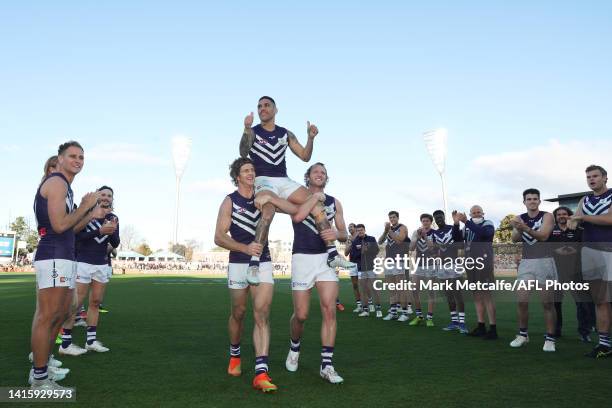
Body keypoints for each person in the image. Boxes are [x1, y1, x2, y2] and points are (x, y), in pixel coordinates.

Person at [214, 157, 322, 393]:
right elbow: (219, 237)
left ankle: (261, 372)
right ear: (237, 176)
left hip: (262, 262)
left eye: (252, 169)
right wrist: (245, 248)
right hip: (238, 262)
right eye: (246, 170)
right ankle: (235, 354)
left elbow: (296, 211)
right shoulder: (229, 201)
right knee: (239, 312)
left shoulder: (264, 197)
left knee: (262, 314)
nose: (251, 173)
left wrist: (310, 198)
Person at [239, 96, 354, 284]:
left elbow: (304, 156)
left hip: (283, 179)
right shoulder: (253, 132)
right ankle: (254, 264)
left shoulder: (285, 133)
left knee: (316, 203)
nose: (262, 109)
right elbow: (243, 152)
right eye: (259, 106)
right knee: (267, 211)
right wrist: (245, 129)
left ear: (276, 110)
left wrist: (310, 138)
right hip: (264, 180)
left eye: (267, 105)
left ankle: (332, 254)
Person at [30, 142, 101, 389]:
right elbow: (59, 226)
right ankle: (39, 378)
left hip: (64, 256)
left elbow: (70, 228)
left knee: (59, 315)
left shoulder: (65, 186)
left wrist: (87, 213)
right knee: (47, 316)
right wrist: (83, 207)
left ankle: (43, 365)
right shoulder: (58, 182)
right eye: (72, 156)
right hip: (53, 256)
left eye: (82, 157)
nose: (78, 160)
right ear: (59, 159)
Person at [285, 163, 347, 384]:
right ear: (308, 177)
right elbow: (297, 217)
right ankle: (294, 347)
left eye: (323, 172)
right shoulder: (297, 197)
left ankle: (326, 365)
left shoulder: (335, 202)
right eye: (315, 172)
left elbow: (344, 234)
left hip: (326, 260)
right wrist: (314, 199)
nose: (320, 174)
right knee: (300, 315)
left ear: (326, 178)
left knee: (329, 310)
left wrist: (336, 232)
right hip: (302, 257)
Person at [58, 186, 119, 355]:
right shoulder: (86, 215)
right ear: (97, 196)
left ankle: (91, 341)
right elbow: (76, 237)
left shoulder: (113, 217)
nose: (106, 198)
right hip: (83, 263)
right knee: (76, 304)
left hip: (101, 264)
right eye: (103, 194)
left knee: (95, 303)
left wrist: (112, 229)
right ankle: (65, 343)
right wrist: (99, 231)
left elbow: (116, 242)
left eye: (109, 196)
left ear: (112, 199)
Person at [570, 165, 612, 358]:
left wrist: (582, 217)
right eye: (588, 177)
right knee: (600, 299)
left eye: (595, 176)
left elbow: (610, 219)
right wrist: (572, 221)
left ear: (605, 178)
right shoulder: (584, 199)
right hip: (590, 251)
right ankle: (604, 344)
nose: (591, 179)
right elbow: (574, 222)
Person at [510, 188, 557, 352]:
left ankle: (550, 338)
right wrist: (517, 228)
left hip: (545, 261)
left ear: (539, 201)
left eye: (535, 199)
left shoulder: (547, 216)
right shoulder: (519, 218)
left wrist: (525, 228)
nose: (532, 201)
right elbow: (515, 239)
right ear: (524, 202)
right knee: (522, 301)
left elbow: (544, 236)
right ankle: (523, 335)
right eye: (528, 199)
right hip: (527, 262)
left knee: (547, 303)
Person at [549, 206, 595, 341]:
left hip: (576, 272)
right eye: (558, 214)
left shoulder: (579, 231)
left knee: (581, 303)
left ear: (569, 216)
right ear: (555, 217)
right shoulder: (551, 231)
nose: (561, 216)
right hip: (557, 272)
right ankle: (556, 331)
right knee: (556, 303)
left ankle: (584, 333)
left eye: (564, 214)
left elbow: (585, 247)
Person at [457, 206, 498, 340]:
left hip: (483, 262)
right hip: (470, 263)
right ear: (470, 214)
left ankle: (493, 329)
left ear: (483, 213)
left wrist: (466, 222)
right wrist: (456, 224)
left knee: (486, 295)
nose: (476, 215)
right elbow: (457, 240)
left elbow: (484, 234)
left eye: (478, 212)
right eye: (473, 213)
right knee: (476, 295)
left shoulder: (488, 223)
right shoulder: (467, 227)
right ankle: (481, 325)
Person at [433, 210, 467, 333]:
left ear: (444, 217)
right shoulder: (435, 233)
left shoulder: (452, 228)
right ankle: (454, 321)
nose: (439, 219)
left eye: (440, 217)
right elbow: (435, 250)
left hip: (454, 265)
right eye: (436, 218)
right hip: (442, 267)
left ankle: (462, 323)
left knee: (457, 294)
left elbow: (460, 245)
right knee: (448, 295)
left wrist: (456, 223)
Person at [378, 211, 411, 321]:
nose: (392, 219)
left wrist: (390, 231)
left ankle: (405, 313)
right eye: (390, 217)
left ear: (398, 218)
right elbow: (380, 241)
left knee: (400, 288)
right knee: (391, 288)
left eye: (393, 217)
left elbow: (399, 240)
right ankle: (393, 312)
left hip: (399, 260)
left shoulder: (403, 227)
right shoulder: (388, 230)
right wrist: (385, 231)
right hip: (389, 260)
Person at [409, 214, 437, 327]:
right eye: (423, 221)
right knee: (414, 290)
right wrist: (416, 237)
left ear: (430, 222)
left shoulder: (434, 233)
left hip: (431, 265)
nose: (425, 223)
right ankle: (419, 316)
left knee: (430, 292)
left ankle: (429, 318)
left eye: (427, 221)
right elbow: (411, 248)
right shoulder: (416, 232)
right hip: (419, 265)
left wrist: (425, 236)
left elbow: (432, 248)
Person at [351, 224, 381, 317]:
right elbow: (354, 256)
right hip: (361, 269)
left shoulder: (371, 239)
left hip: (371, 268)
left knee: (374, 289)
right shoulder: (355, 241)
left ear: (364, 230)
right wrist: (361, 252)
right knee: (363, 290)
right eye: (358, 230)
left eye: (361, 230)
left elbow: (376, 250)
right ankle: (365, 310)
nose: (360, 232)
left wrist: (367, 250)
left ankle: (378, 310)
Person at [344, 223, 362, 313]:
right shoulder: (349, 239)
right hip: (352, 263)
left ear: (355, 228)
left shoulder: (360, 236)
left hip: (361, 263)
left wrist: (354, 241)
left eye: (351, 227)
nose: (349, 228)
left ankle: (368, 304)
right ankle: (359, 305)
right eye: (348, 227)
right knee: (355, 285)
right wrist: (350, 244)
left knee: (364, 285)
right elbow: (346, 253)